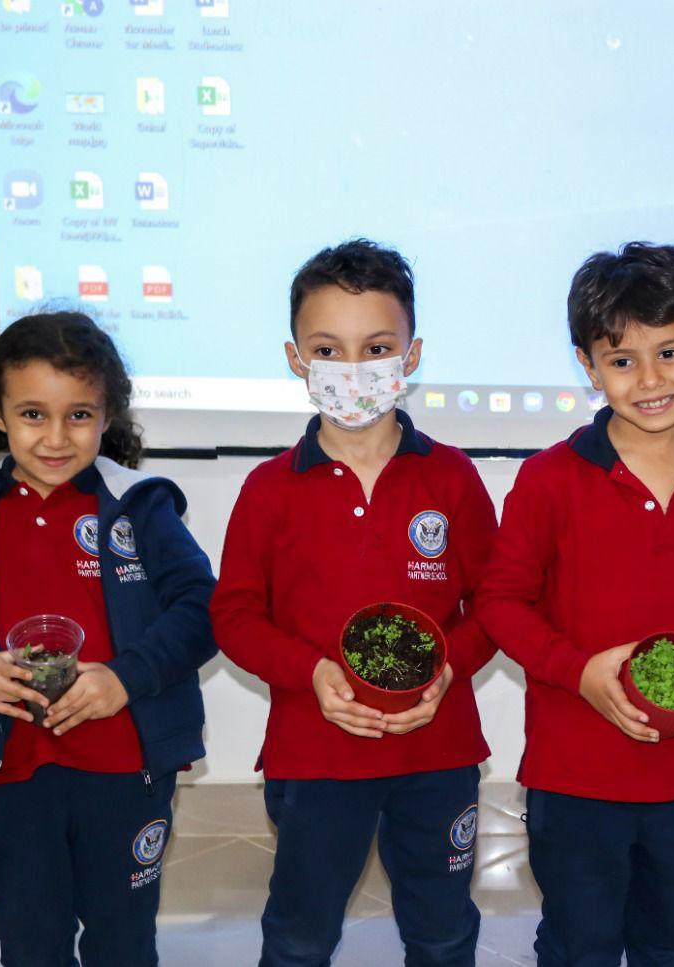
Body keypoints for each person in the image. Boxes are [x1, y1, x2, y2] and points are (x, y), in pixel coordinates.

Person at [476, 242, 674, 967]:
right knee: (581, 943)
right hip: (575, 773)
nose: (649, 380)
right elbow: (501, 601)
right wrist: (577, 671)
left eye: (670, 352)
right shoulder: (549, 480)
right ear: (587, 364)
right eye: (621, 360)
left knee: (671, 941)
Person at [211, 239, 497, 967]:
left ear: (412, 353)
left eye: (376, 347)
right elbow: (235, 616)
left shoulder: (454, 478)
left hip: (438, 752)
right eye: (328, 350)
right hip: (315, 755)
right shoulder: (270, 489)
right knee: (301, 934)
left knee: (441, 930)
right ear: (295, 357)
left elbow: (495, 603)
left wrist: (447, 669)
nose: (353, 369)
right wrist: (310, 672)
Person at [0, 311, 216, 966]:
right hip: (12, 771)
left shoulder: (142, 503)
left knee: (124, 941)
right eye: (32, 414)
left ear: (108, 417)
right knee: (31, 942)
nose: (55, 437)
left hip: (126, 766)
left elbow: (203, 608)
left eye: (79, 414)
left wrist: (125, 676)